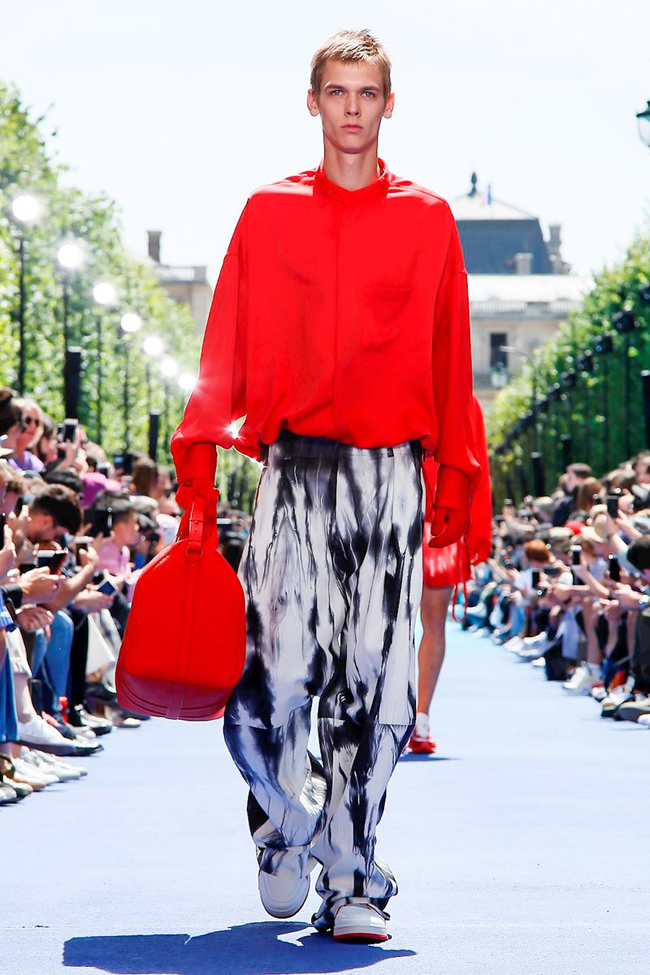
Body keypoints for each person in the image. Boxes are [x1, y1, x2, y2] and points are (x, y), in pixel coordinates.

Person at [171, 29, 480, 943]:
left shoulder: (428, 219)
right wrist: (196, 470)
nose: (353, 108)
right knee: (273, 675)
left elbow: (448, 354)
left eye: (368, 93)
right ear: (313, 103)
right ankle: (282, 826)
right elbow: (225, 338)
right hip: (296, 467)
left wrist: (457, 482)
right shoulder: (268, 213)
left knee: (378, 687)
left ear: (390, 105)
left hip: (392, 475)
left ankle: (355, 874)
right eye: (337, 92)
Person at [409, 395, 492, 754]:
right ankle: (420, 716)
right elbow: (477, 468)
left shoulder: (394, 379)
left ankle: (397, 711)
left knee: (387, 623)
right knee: (433, 624)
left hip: (399, 518)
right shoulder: (464, 400)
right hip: (438, 522)